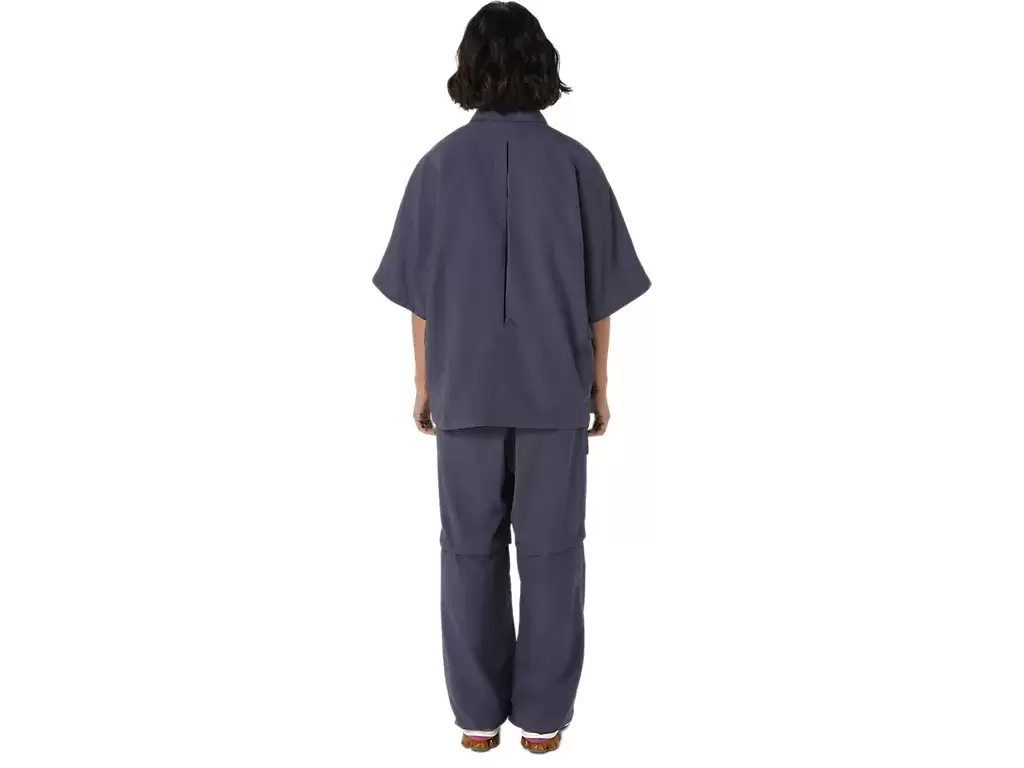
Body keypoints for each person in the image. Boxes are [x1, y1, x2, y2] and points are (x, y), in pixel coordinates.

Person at [372, 1, 649, 754]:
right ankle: (544, 719)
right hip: (554, 387)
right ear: (542, 65)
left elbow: (421, 296)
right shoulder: (576, 165)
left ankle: (476, 717)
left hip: (463, 385)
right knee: (554, 552)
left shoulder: (436, 167)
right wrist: (598, 386)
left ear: (468, 67)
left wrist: (424, 383)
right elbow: (598, 296)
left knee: (468, 551)